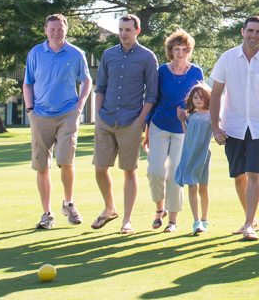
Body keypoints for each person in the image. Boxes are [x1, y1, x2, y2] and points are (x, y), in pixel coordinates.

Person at [208, 15, 259, 241]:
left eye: (258, 32)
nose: (254, 35)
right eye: (250, 31)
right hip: (232, 126)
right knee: (238, 176)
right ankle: (250, 218)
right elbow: (215, 95)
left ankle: (248, 224)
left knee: (254, 172)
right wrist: (215, 127)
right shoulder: (227, 59)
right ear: (242, 31)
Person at [22, 13, 92, 229]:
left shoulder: (75, 53)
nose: (56, 32)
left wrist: (80, 105)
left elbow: (86, 80)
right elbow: (28, 83)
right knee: (42, 165)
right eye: (52, 29)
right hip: (40, 115)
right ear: (45, 30)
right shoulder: (35, 53)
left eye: (60, 29)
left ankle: (68, 203)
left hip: (68, 114)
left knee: (66, 161)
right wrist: (30, 109)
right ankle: (47, 214)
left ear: (66, 29)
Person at [91, 14, 159, 234]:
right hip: (106, 119)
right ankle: (109, 208)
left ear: (137, 31)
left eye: (128, 30)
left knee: (129, 171)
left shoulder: (147, 57)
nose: (123, 33)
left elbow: (152, 94)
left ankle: (127, 220)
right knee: (100, 168)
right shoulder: (108, 55)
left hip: (131, 121)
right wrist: (98, 115)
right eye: (121, 29)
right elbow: (100, 87)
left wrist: (140, 121)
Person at [146, 29, 204, 236]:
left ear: (189, 51)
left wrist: (188, 112)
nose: (180, 53)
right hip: (159, 125)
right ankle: (158, 209)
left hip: (183, 129)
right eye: (176, 49)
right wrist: (146, 129)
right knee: (155, 171)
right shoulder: (162, 71)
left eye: (184, 49)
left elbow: (201, 101)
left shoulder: (196, 72)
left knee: (174, 175)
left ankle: (172, 220)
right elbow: (153, 98)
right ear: (170, 51)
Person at [174, 82, 215, 235]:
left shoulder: (212, 115)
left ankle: (204, 219)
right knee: (192, 185)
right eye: (195, 97)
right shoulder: (191, 115)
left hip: (203, 154)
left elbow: (217, 129)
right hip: (189, 152)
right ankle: (196, 221)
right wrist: (182, 120)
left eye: (201, 97)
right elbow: (187, 133)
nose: (198, 100)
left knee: (203, 187)